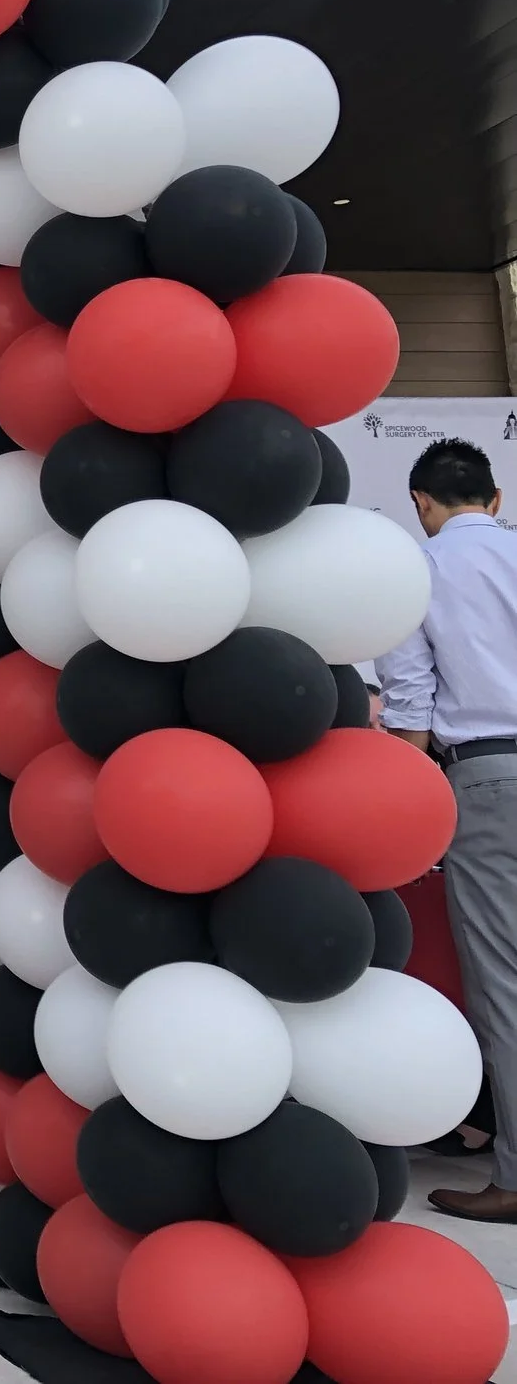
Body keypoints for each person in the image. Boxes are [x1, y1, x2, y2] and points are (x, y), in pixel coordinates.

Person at [375, 436, 517, 1222]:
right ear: (494, 500)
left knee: (505, 983)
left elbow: (413, 711)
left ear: (422, 505)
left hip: (490, 777)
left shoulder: (418, 570)